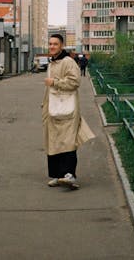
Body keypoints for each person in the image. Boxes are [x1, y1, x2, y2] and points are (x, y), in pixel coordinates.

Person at [42, 33, 95, 190]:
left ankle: (69, 175)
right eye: (50, 44)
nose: (52, 46)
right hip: (53, 108)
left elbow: (74, 82)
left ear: (62, 46)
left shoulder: (68, 62)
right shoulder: (52, 63)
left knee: (68, 142)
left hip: (67, 109)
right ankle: (58, 176)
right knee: (53, 142)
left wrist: (55, 82)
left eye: (55, 44)